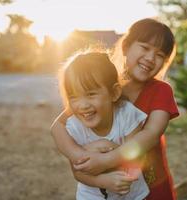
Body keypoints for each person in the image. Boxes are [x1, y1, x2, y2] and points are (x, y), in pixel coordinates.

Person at [51, 18, 179, 200]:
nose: (151, 58)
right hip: (110, 184)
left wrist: (106, 160)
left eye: (160, 55)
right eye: (145, 47)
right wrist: (81, 157)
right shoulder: (104, 85)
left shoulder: (161, 91)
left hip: (153, 181)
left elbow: (150, 134)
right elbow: (57, 127)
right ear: (126, 47)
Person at [56, 50, 150, 200]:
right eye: (73, 97)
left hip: (132, 195)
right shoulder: (74, 126)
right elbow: (77, 172)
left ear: (114, 93)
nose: (82, 105)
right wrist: (102, 181)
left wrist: (109, 147)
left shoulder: (126, 114)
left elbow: (138, 155)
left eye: (90, 94)